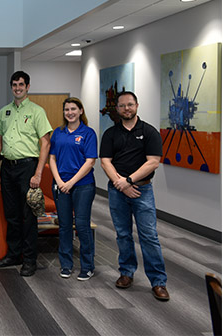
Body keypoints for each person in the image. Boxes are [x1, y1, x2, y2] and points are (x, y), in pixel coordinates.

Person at [100, 91, 169, 301]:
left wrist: (128, 181)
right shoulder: (111, 134)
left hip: (142, 190)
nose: (126, 108)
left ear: (137, 105)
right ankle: (126, 273)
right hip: (117, 191)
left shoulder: (149, 132)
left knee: (149, 236)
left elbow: (153, 162)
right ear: (117, 109)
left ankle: (158, 282)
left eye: (130, 104)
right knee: (122, 234)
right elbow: (105, 161)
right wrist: (121, 185)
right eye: (122, 105)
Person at [0, 71, 52, 276]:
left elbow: (45, 143)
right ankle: (13, 254)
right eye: (14, 85)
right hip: (8, 167)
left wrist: (38, 174)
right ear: (11, 87)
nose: (17, 88)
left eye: (21, 84)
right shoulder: (3, 112)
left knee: (28, 215)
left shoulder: (37, 111)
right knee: (12, 214)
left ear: (27, 87)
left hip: (28, 167)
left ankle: (29, 260)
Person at [49, 97, 97, 281]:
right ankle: (66, 265)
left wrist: (71, 183)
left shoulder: (88, 133)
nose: (70, 112)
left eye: (73, 109)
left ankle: (87, 266)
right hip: (61, 185)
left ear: (81, 111)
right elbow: (52, 158)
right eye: (67, 109)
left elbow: (90, 161)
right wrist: (60, 181)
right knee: (65, 226)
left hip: (83, 185)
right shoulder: (58, 133)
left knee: (83, 226)